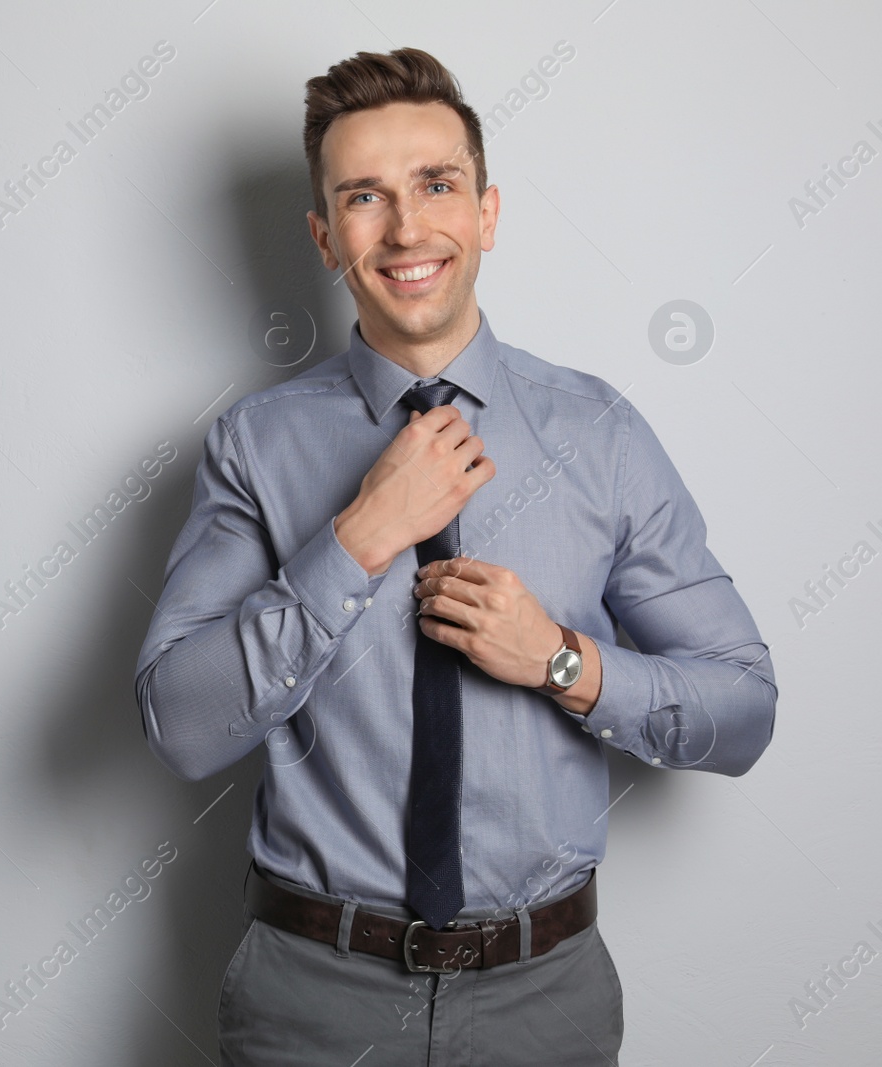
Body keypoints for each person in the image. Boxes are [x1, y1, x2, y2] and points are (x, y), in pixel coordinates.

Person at [133, 47, 776, 1066]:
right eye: (362, 198)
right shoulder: (252, 445)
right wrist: (357, 538)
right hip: (311, 996)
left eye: (435, 184)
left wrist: (564, 660)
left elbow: (742, 711)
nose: (404, 227)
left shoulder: (599, 433)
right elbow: (179, 723)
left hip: (544, 1000)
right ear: (324, 235)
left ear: (485, 211)